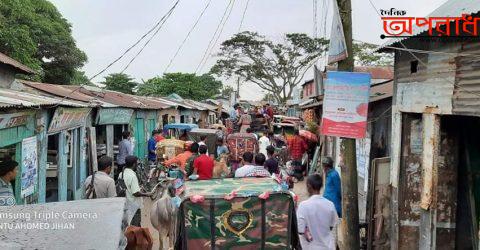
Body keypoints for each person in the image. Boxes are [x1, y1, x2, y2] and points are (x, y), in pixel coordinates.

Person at [297, 174, 338, 250]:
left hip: (310, 247)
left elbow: (300, 230)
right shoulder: (330, 204)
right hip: (328, 246)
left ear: (309, 186)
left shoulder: (303, 206)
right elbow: (331, 226)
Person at [119, 155, 152, 227]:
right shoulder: (132, 176)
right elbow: (135, 193)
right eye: (136, 163)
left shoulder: (121, 174)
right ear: (134, 164)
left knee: (126, 224)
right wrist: (147, 194)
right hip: (133, 205)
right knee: (135, 227)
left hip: (125, 203)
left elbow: (125, 188)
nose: (137, 165)